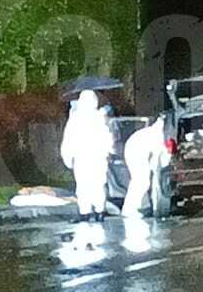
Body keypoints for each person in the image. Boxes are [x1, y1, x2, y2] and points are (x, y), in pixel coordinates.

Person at [60, 89, 113, 223]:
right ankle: (99, 211)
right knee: (98, 184)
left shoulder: (76, 118)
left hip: (82, 157)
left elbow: (69, 139)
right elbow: (108, 137)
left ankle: (85, 212)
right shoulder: (100, 117)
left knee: (84, 185)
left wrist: (67, 156)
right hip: (97, 157)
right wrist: (108, 152)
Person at [123, 117, 166, 219]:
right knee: (141, 181)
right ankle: (130, 210)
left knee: (140, 181)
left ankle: (142, 206)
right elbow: (157, 158)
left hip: (135, 150)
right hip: (136, 152)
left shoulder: (154, 132)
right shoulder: (158, 135)